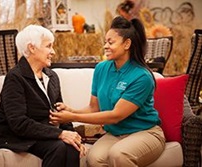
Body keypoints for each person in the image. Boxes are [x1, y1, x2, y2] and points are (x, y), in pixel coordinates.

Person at [50, 16, 166, 167]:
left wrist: (70, 117)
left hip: (145, 133)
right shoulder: (101, 68)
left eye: (110, 42)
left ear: (127, 44)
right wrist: (71, 110)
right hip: (116, 134)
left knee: (119, 155)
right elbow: (94, 107)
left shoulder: (142, 77)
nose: (105, 46)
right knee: (93, 158)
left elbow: (116, 115)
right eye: (105, 42)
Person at [0, 25, 86, 167]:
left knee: (71, 147)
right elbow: (18, 123)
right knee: (58, 147)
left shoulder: (52, 76)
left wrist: (73, 137)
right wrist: (59, 134)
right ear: (32, 48)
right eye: (48, 46)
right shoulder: (15, 77)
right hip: (14, 136)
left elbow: (62, 114)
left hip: (42, 134)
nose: (53, 52)